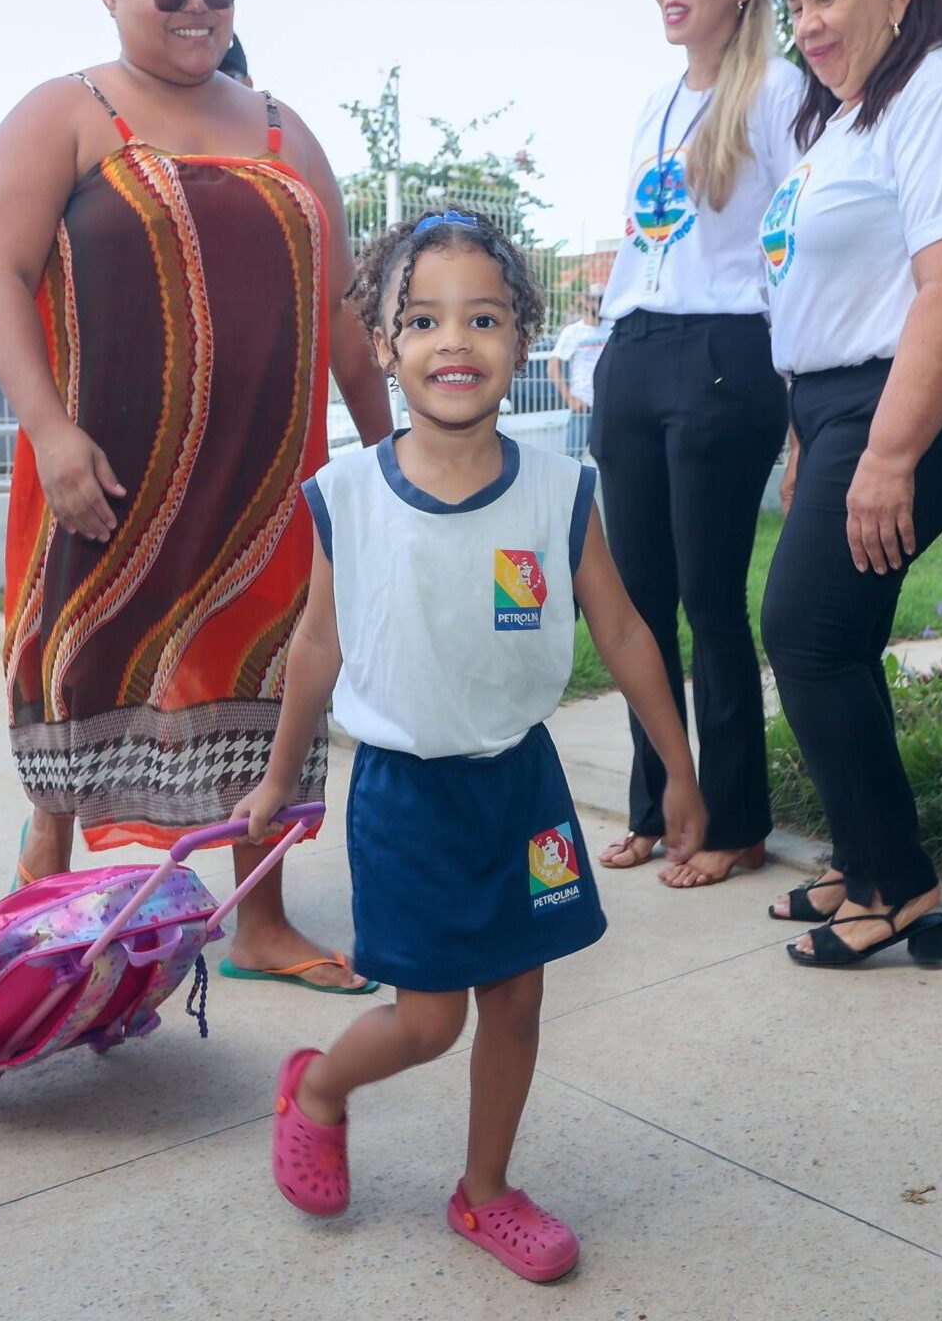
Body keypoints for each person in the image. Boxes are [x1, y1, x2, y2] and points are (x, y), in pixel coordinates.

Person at [237, 208, 708, 1282]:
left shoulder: (557, 489)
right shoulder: (349, 495)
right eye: (425, 319)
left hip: (523, 790)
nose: (456, 340)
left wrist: (676, 768)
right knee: (427, 1020)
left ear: (521, 343)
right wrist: (279, 777)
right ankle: (317, 1087)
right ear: (386, 347)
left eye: (484, 316)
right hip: (405, 798)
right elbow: (316, 644)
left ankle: (485, 1189)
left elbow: (624, 628)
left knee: (519, 998)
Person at [0, 0, 393, 993]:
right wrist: (51, 433)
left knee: (266, 672)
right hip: (108, 465)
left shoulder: (281, 128)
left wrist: (392, 455)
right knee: (82, 657)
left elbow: (346, 313)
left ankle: (260, 919)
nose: (197, 5)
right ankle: (49, 863)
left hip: (264, 476)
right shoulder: (65, 113)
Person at [756, 0, 942, 967]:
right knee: (839, 637)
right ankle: (859, 858)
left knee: (804, 634)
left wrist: (888, 452)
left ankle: (899, 887)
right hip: (835, 403)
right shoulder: (842, 121)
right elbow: (824, 297)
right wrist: (802, 432)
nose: (808, 24)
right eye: (796, 6)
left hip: (912, 398)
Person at [592, 0, 805, 890]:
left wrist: (803, 396)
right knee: (635, 603)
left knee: (711, 598)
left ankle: (734, 819)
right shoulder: (651, 102)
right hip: (635, 355)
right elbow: (643, 246)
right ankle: (655, 803)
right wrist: (599, 347)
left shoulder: (779, 96)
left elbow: (802, 247)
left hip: (727, 355)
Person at [545, 292, 606, 458]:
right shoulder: (573, 332)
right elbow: (552, 367)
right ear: (586, 302)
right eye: (597, 299)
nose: (601, 303)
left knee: (612, 461)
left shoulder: (612, 328)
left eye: (603, 299)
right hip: (583, 408)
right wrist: (570, 399)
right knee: (573, 462)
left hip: (608, 407)